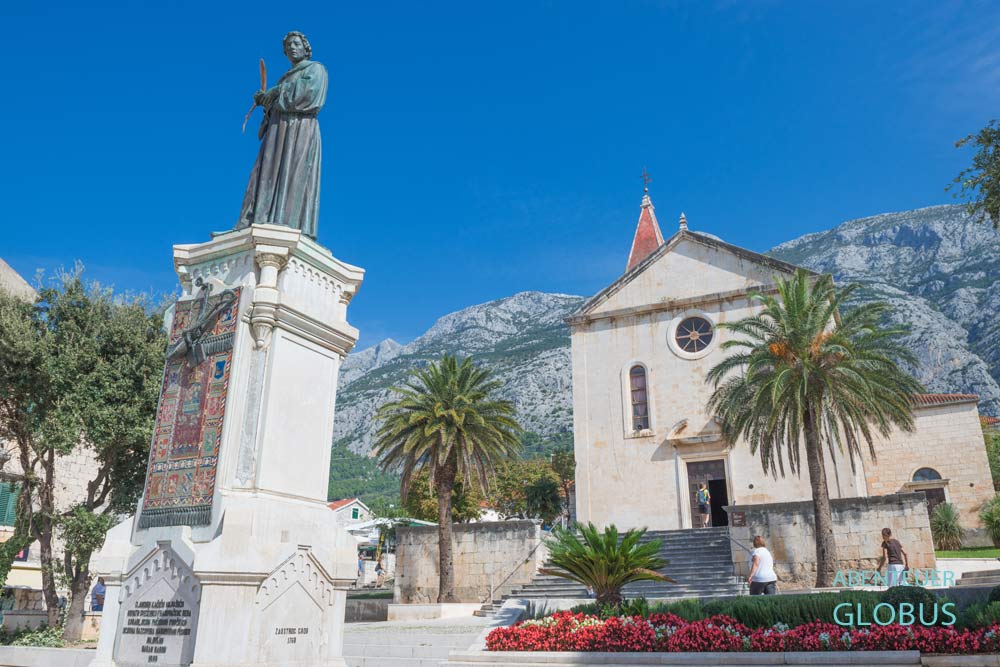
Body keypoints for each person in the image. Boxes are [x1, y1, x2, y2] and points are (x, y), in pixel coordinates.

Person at [236, 31, 328, 238]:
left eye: (296, 44)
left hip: (299, 128)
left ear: (305, 48)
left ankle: (286, 221)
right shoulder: (285, 77)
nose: (292, 48)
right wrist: (266, 103)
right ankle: (260, 217)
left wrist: (275, 93)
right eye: (288, 47)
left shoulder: (316, 69)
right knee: (265, 171)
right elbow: (279, 102)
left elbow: (310, 96)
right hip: (278, 129)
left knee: (294, 171)